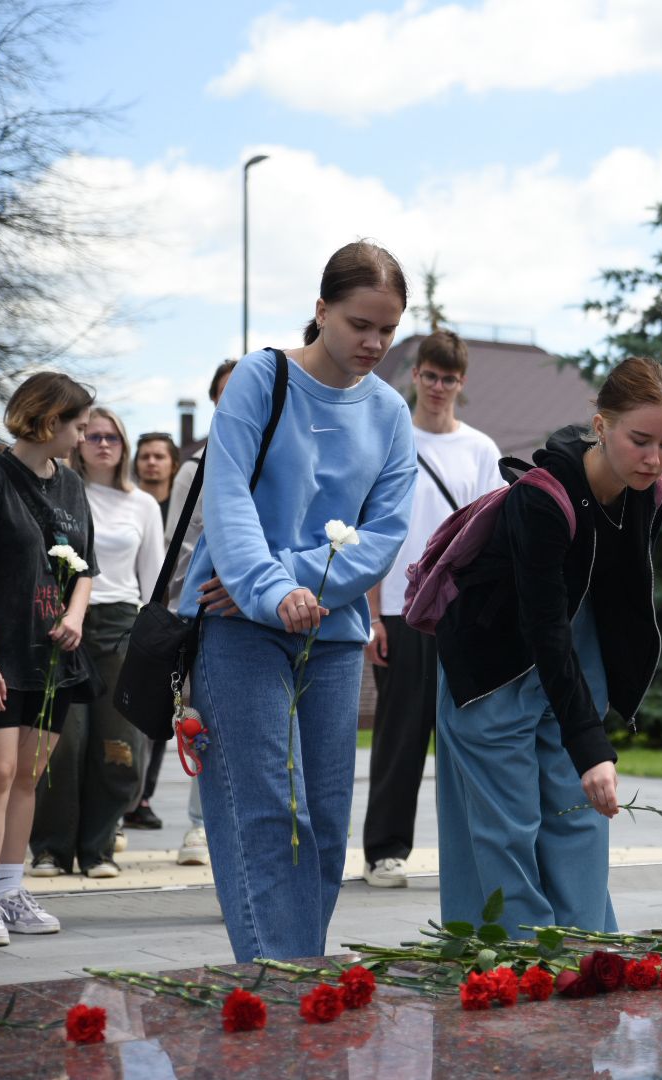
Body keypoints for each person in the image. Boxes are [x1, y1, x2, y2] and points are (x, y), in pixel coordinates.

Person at [179, 240, 416, 963]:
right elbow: (227, 502)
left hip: (334, 636)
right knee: (266, 813)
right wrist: (272, 591)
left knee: (324, 823)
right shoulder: (261, 377)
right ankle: (282, 980)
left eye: (388, 329)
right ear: (321, 311)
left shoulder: (390, 413)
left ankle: (296, 973)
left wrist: (300, 585)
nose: (374, 343)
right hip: (239, 624)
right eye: (358, 324)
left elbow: (383, 534)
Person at [434, 356, 662, 935]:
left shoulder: (651, 491)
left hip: (574, 657)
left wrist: (594, 723)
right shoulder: (541, 500)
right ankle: (514, 960)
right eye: (640, 440)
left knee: (579, 816)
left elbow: (620, 596)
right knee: (506, 827)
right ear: (601, 426)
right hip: (495, 664)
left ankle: (587, 951)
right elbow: (543, 625)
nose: (653, 458)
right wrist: (589, 742)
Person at [0, 371, 97, 947]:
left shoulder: (73, 486)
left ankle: (12, 890)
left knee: (29, 777)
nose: (83, 436)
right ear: (47, 418)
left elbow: (84, 570)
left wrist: (76, 617)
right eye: (77, 425)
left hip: (51, 658)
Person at [362, 330, 502, 889]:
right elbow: (370, 534)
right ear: (414, 376)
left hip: (459, 613)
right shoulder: (391, 443)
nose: (439, 386)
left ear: (460, 384)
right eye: (430, 375)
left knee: (468, 735)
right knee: (400, 734)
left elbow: (492, 536)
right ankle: (384, 851)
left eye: (449, 378)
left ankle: (468, 847)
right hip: (397, 608)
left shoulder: (480, 449)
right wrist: (371, 616)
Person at [29, 407, 163, 879]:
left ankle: (99, 848)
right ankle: (49, 848)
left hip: (121, 625)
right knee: (62, 743)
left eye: (113, 437)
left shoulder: (142, 504)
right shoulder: (61, 492)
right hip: (63, 624)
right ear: (79, 442)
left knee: (118, 744)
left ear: (124, 446)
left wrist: (153, 646)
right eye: (93, 435)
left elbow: (153, 581)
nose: (103, 444)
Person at [161, 359, 237, 867]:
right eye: (227, 394)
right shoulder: (197, 467)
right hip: (206, 606)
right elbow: (178, 543)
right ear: (214, 401)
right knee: (203, 717)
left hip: (252, 608)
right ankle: (198, 824)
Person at [123, 431, 182, 832]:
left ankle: (143, 796)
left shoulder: (178, 505)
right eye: (145, 456)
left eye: (159, 456)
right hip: (130, 610)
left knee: (160, 709)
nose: (151, 463)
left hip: (167, 615)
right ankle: (124, 793)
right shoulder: (129, 503)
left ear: (172, 464)